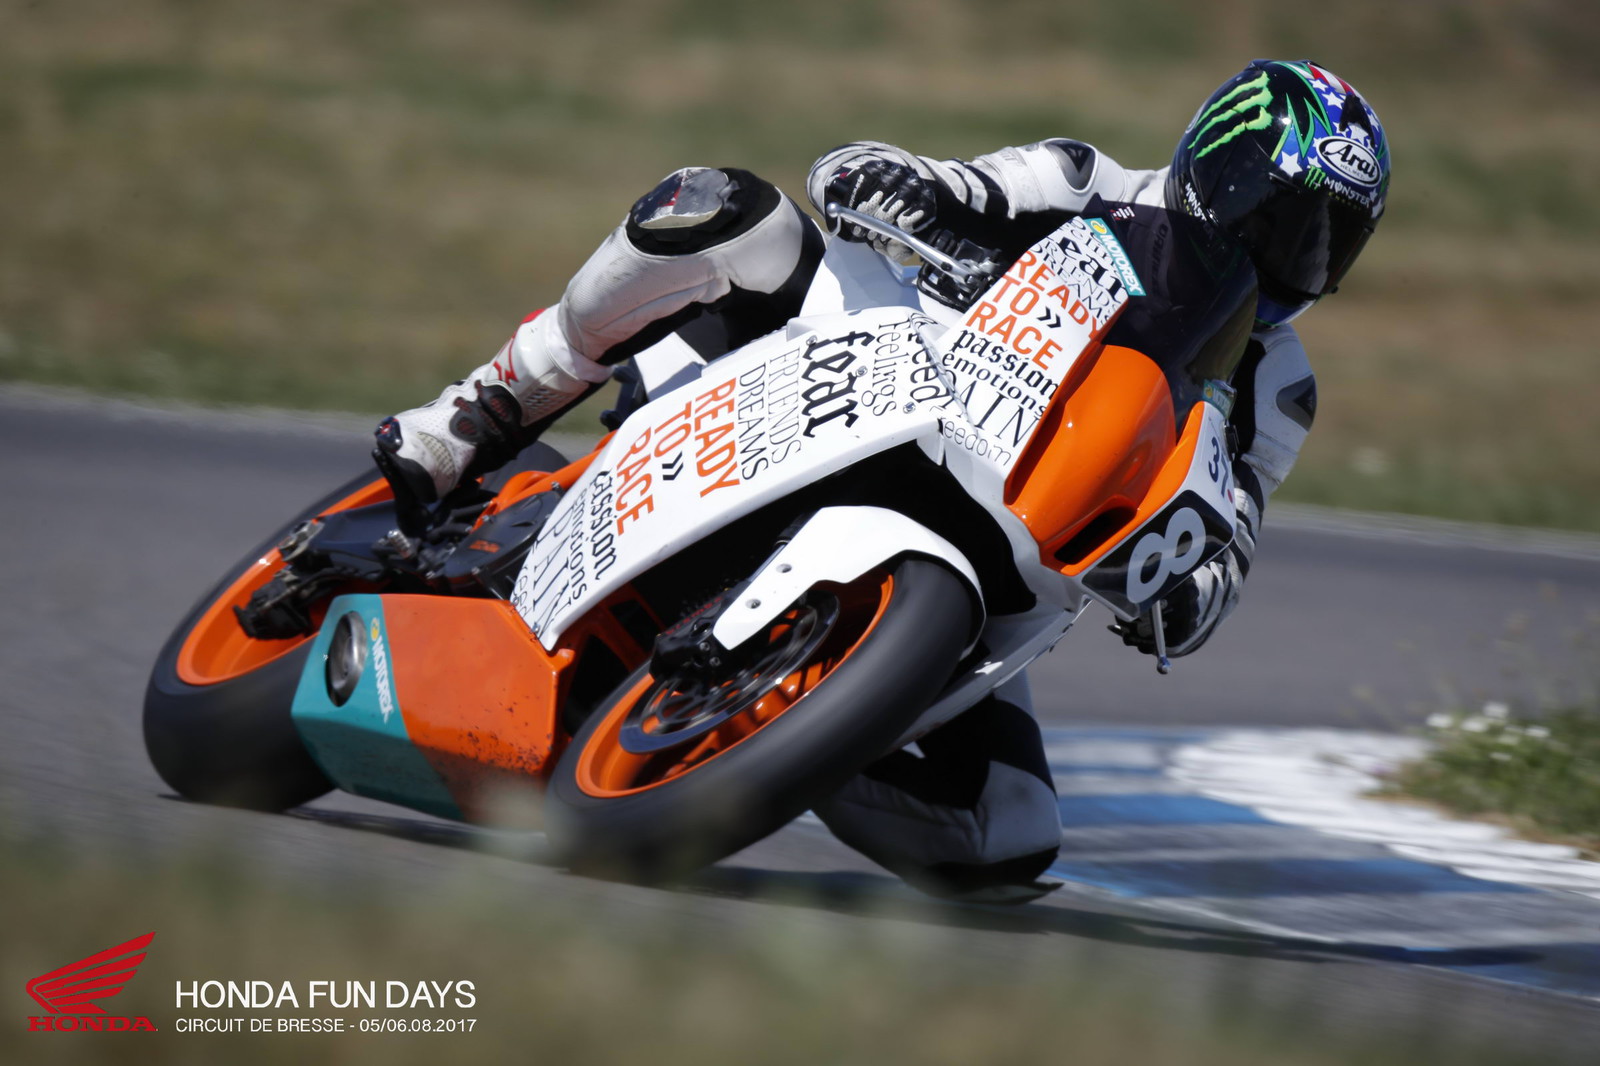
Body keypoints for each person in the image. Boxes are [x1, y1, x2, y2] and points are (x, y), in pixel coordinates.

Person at [373, 59, 1390, 901]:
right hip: (869, 371)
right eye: (1276, 213)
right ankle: (482, 409)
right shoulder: (1084, 183)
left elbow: (1232, 534)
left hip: (1013, 543)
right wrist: (905, 199)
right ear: (1217, 159)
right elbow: (907, 178)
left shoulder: (1278, 389)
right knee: (726, 211)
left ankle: (807, 723)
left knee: (1007, 834)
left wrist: (1187, 593)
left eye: (1323, 241)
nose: (1290, 253)